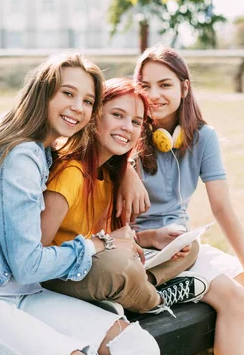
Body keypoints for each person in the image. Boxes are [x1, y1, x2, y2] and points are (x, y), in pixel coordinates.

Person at [0, 53, 160, 355]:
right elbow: (27, 264)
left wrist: (128, 171)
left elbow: (90, 152)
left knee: (139, 348)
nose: (77, 107)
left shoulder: (40, 148)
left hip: (23, 292)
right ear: (43, 93)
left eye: (87, 100)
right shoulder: (20, 155)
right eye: (67, 93)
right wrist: (97, 244)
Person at [124, 45, 244, 355]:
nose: (153, 94)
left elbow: (222, 208)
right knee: (233, 297)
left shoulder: (203, 137)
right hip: (141, 252)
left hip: (185, 247)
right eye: (145, 85)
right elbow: (111, 228)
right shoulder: (126, 135)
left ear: (185, 88)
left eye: (165, 84)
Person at [40, 77, 208, 316]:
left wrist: (150, 238)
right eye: (117, 115)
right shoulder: (70, 174)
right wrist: (111, 249)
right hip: (61, 274)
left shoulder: (109, 173)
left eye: (136, 122)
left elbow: (101, 237)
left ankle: (139, 285)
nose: (127, 127)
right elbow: (37, 256)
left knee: (187, 245)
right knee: (119, 267)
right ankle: (155, 300)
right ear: (94, 116)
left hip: (97, 260)